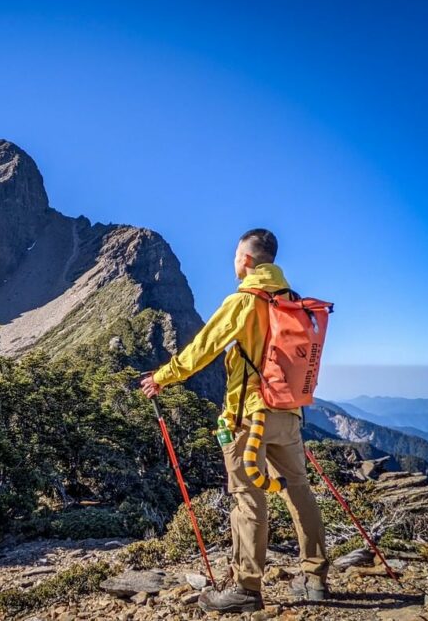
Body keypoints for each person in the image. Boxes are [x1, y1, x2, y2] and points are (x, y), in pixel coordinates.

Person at [140, 228, 328, 614]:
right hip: (289, 413)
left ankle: (246, 587)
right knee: (299, 492)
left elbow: (203, 347)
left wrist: (162, 377)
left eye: (236, 255)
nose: (234, 261)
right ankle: (315, 579)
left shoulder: (244, 301)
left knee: (248, 499)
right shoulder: (292, 300)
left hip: (248, 419)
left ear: (246, 260)